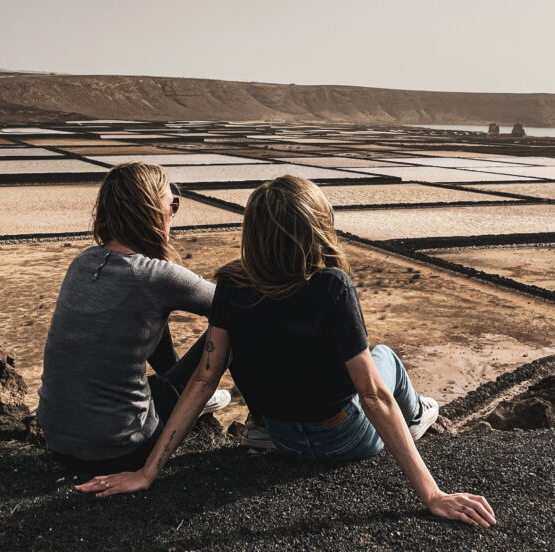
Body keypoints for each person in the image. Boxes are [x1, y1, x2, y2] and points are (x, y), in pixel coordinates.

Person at [76, 175, 496, 528]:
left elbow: (205, 379)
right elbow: (372, 395)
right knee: (386, 358)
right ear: (315, 229)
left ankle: (262, 426)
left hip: (282, 437)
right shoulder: (332, 285)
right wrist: (433, 494)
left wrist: (148, 472)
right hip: (345, 439)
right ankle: (419, 415)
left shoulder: (232, 286)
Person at [37, 161, 230, 474]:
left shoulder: (83, 261)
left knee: (148, 315)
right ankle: (259, 423)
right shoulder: (155, 276)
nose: (174, 214)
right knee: (237, 320)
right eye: (173, 205)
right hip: (121, 449)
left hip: (59, 443)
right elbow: (234, 304)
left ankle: (175, 394)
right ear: (152, 211)